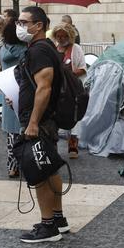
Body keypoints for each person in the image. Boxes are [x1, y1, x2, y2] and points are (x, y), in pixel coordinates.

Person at [14, 5, 67, 243]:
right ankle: (57, 219)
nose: (20, 26)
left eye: (24, 22)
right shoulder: (41, 48)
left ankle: (48, 227)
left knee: (39, 171)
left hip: (40, 121)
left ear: (39, 26)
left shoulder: (39, 50)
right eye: (19, 22)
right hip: (45, 119)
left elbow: (44, 87)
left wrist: (33, 122)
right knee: (49, 167)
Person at [0, 8, 27, 178]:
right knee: (18, 130)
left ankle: (13, 165)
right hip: (19, 91)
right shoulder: (21, 50)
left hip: (8, 89)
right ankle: (19, 164)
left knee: (11, 133)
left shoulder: (3, 47)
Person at [51, 23, 86, 158]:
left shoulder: (76, 48)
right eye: (58, 36)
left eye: (64, 36)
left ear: (70, 36)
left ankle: (73, 145)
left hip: (73, 89)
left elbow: (82, 68)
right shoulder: (54, 48)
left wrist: (68, 74)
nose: (61, 38)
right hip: (58, 89)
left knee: (73, 115)